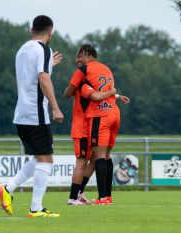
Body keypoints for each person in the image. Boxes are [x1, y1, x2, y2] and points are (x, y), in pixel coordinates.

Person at [0, 15, 63, 217]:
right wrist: (55, 107)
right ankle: (35, 208)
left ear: (31, 29)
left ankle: (8, 188)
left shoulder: (22, 50)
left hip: (21, 113)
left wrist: (48, 66)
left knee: (41, 157)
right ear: (50, 32)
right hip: (37, 113)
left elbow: (22, 78)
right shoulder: (43, 50)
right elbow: (43, 79)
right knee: (46, 160)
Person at [64, 51, 129, 205]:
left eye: (79, 56)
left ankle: (81, 194)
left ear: (87, 56)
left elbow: (97, 92)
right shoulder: (85, 84)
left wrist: (116, 94)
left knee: (94, 160)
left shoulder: (85, 78)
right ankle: (74, 197)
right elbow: (96, 95)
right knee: (86, 161)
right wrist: (114, 93)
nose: (76, 60)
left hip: (92, 122)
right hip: (84, 125)